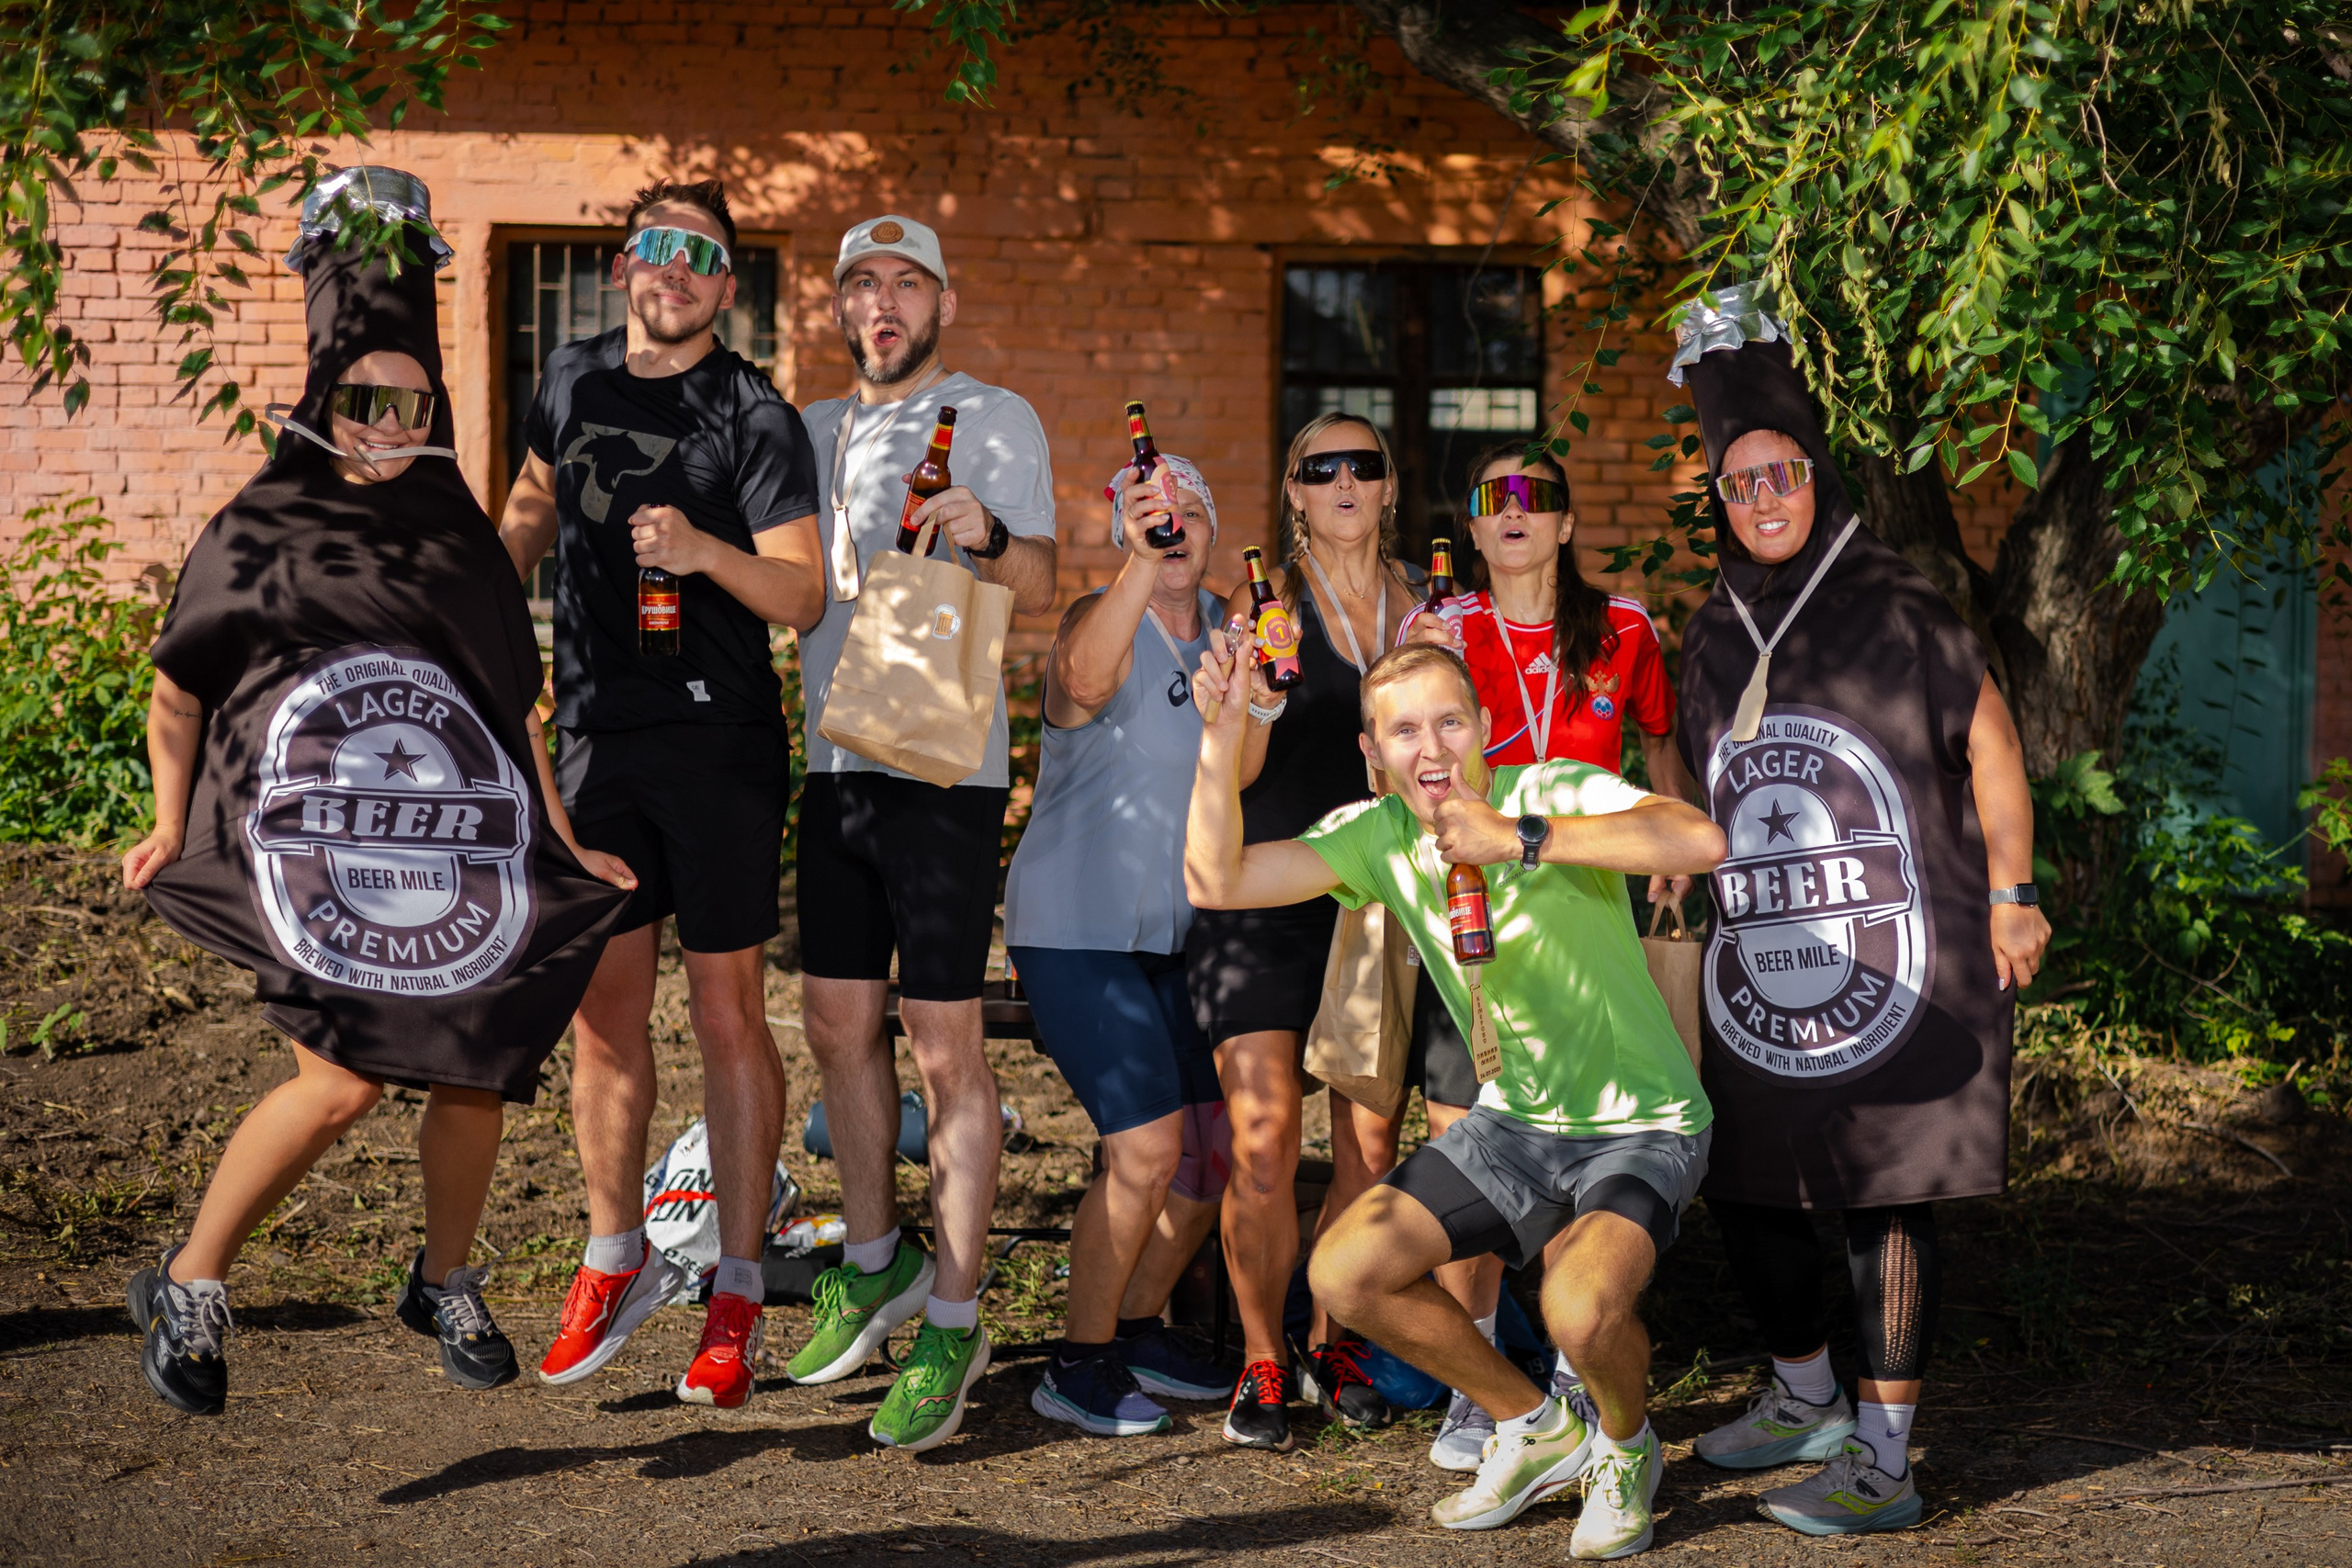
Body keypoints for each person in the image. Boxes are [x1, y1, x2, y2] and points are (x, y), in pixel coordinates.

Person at [122, 168, 636, 1416]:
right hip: (308, 859)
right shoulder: (262, 524)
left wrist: (563, 847)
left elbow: (512, 713)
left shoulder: (458, 535)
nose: (391, 424)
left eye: (416, 403)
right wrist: (165, 814)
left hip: (447, 851)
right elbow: (180, 690)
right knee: (341, 1078)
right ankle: (192, 1283)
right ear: (321, 398)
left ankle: (444, 1276)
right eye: (365, 399)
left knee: (475, 1061)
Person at [1189, 639, 1724, 1558]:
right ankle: (1530, 1427)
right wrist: (1217, 733)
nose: (1429, 745)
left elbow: (1699, 839)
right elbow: (1218, 880)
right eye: (1404, 730)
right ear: (1373, 753)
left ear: (1480, 731)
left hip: (1641, 1124)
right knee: (1344, 1270)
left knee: (1578, 1310)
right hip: (1515, 1126)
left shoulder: (1547, 790)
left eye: (1448, 721)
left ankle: (1624, 1447)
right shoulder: (1380, 835)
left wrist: (1522, 838)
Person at [1665, 283, 2051, 1536]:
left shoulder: (1897, 603)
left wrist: (2014, 890)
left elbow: (1990, 742)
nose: (1763, 497)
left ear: (1818, 477)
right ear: (1718, 500)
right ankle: (1802, 1394)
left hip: (1905, 953)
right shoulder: (1712, 627)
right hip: (1763, 968)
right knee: (1749, 1175)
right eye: (1739, 482)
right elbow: (1690, 766)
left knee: (1888, 1184)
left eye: (1782, 473)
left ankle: (1885, 1459)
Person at [499, 177, 826, 1409]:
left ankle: (736, 1283)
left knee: (731, 1014)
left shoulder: (755, 412)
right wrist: (482, 626)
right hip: (591, 737)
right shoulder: (574, 372)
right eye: (657, 246)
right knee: (604, 1018)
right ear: (626, 262)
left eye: (702, 254)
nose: (676, 268)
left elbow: (802, 594)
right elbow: (528, 511)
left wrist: (700, 552)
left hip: (721, 744)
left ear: (727, 286)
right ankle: (615, 1253)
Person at [786, 214, 1059, 1452]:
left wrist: (987, 535)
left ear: (940, 300)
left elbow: (1044, 580)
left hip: (937, 768)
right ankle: (877, 1257)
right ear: (841, 308)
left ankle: (955, 1309)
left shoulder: (992, 415)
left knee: (944, 1044)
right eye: (864, 285)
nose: (884, 303)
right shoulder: (808, 431)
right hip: (830, 763)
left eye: (907, 283)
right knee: (837, 1023)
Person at [1400, 441, 1698, 1469]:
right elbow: (1393, 741)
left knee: (1584, 1145)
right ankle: (1478, 1385)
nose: (1514, 511)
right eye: (1493, 500)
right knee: (1465, 1137)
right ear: (1473, 531)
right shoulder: (1444, 630)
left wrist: (1670, 853)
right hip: (1474, 921)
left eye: (1536, 497)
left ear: (1567, 524)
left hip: (1591, 927)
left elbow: (1663, 741)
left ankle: (1576, 1371)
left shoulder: (1621, 629)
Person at [1183, 412, 1421, 1450]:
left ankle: (1332, 1337)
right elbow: (1231, 773)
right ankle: (1262, 1361)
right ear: (1290, 491)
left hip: (1372, 898)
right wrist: (1243, 713)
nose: (1341, 483)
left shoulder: (1426, 605)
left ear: (1388, 485)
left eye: (1359, 466)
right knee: (1267, 1143)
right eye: (1317, 468)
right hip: (1263, 892)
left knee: (1368, 1141)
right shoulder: (1261, 604)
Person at [1001, 454, 1235, 1436]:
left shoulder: (1238, 629)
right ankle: (1077, 1358)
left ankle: (1135, 1324)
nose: (1171, 526)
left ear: (1214, 525)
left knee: (1214, 1151)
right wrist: (1139, 564)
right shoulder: (1096, 620)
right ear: (1121, 531)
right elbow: (1081, 682)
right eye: (1149, 515)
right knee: (1144, 1148)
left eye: (1188, 510)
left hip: (1181, 936)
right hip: (1075, 929)